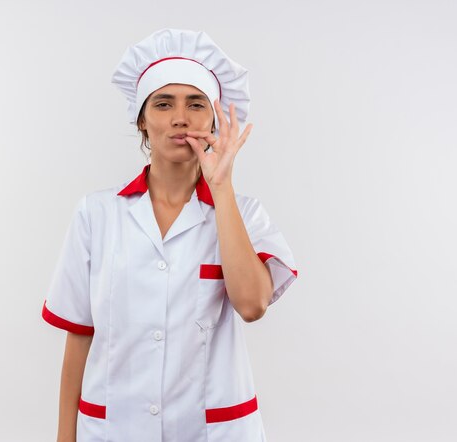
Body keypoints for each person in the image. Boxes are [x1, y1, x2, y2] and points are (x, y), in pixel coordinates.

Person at [42, 28, 298, 442]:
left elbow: (252, 305)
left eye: (196, 104)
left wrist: (222, 188)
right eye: (164, 103)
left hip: (212, 430)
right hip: (113, 429)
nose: (181, 117)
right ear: (142, 120)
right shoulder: (97, 213)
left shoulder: (244, 213)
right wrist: (63, 438)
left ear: (214, 119)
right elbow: (79, 334)